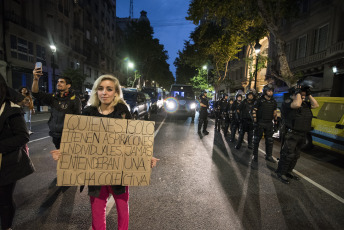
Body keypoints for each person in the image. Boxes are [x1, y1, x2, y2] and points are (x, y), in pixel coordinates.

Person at [50, 74, 159, 230]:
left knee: (122, 208)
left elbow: (132, 139)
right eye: (100, 89)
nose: (104, 92)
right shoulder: (88, 112)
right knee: (97, 211)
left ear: (115, 92)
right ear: (96, 91)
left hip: (119, 172)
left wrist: (145, 156)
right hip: (95, 172)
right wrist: (64, 152)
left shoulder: (122, 112)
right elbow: (79, 139)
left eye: (109, 89)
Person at [0, 74, 35, 230]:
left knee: (4, 200)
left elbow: (22, 136)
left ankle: (7, 226)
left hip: (7, 163)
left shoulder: (12, 109)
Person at [275, 84, 319, 184]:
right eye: (301, 94)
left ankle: (289, 171)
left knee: (296, 155)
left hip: (302, 133)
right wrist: (297, 92)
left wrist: (309, 94)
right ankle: (281, 172)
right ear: (294, 94)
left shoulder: (305, 103)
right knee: (288, 155)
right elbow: (297, 105)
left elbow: (316, 105)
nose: (303, 96)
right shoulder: (288, 103)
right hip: (291, 134)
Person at [31, 67, 82, 149]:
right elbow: (35, 93)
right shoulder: (53, 97)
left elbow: (78, 118)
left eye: (62, 82)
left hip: (68, 135)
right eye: (58, 82)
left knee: (66, 158)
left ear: (68, 85)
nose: (58, 83)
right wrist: (36, 79)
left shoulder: (75, 99)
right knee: (59, 156)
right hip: (55, 134)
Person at [251, 84, 278, 163]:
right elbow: (253, 111)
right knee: (256, 140)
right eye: (269, 91)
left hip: (269, 123)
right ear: (265, 91)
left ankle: (269, 156)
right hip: (260, 123)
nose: (270, 92)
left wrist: (276, 121)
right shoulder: (259, 101)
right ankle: (255, 155)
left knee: (270, 140)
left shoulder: (273, 101)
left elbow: (275, 112)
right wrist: (255, 121)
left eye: (272, 91)